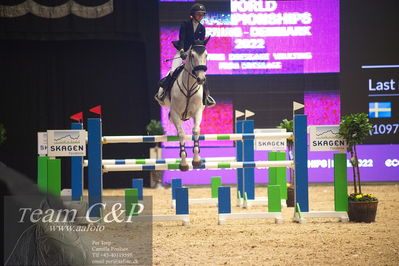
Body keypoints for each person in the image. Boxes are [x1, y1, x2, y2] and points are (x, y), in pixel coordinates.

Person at [155, 3, 216, 108]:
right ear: (193, 14)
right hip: (182, 51)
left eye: (202, 15)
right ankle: (162, 92)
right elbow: (182, 38)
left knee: (201, 74)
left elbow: (199, 43)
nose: (200, 16)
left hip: (193, 54)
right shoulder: (185, 24)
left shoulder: (202, 28)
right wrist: (182, 51)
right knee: (173, 71)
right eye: (198, 14)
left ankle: (206, 97)